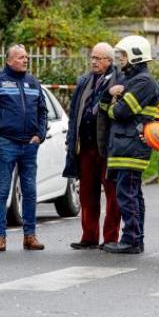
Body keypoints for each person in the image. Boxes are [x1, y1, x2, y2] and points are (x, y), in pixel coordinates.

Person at [0, 44, 48, 252]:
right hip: (5, 143)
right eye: (20, 58)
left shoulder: (33, 82)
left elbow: (42, 111)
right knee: (2, 191)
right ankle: (0, 237)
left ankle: (30, 235)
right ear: (8, 61)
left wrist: (40, 134)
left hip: (29, 145)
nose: (25, 60)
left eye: (26, 57)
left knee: (30, 191)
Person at [100, 35, 159, 254]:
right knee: (132, 194)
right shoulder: (132, 79)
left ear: (135, 55)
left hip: (131, 148)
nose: (120, 59)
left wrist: (113, 103)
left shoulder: (142, 82)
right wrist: (112, 98)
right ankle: (136, 238)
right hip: (126, 146)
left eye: (123, 55)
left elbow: (120, 112)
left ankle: (131, 239)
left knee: (127, 195)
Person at [63, 42, 123, 250]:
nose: (94, 62)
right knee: (87, 194)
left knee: (113, 195)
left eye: (98, 58)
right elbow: (75, 114)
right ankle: (89, 236)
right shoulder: (85, 81)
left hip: (108, 147)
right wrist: (71, 141)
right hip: (86, 146)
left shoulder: (119, 80)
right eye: (92, 58)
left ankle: (110, 238)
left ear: (109, 60)